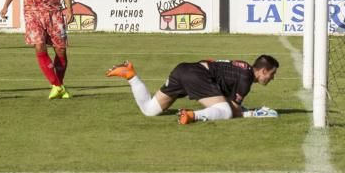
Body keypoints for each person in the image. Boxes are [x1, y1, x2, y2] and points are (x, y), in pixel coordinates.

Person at [106, 56, 280, 124]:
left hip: (183, 69)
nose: (272, 78)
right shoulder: (246, 78)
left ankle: (130, 75)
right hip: (197, 75)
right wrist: (253, 113)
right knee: (225, 112)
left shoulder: (243, 70)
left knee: (150, 110)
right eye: (272, 74)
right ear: (263, 71)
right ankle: (191, 115)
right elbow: (233, 110)